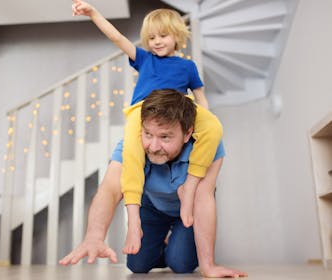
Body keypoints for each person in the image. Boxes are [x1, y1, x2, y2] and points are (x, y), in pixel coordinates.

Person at [72, 0, 223, 255]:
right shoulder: (144, 59)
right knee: (131, 157)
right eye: (151, 37)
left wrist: (203, 121)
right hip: (141, 112)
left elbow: (200, 97)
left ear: (177, 36)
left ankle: (189, 191)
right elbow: (117, 37)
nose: (156, 41)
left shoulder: (187, 66)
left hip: (179, 109)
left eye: (163, 35)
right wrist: (94, 14)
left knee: (215, 128)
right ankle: (134, 219)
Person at [60, 90, 247, 278]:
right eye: (148, 134)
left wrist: (209, 266)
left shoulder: (209, 146)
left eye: (165, 137)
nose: (153, 146)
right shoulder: (131, 146)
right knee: (137, 265)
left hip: (189, 210)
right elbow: (109, 190)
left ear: (187, 133)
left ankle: (175, 246)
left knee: (181, 264)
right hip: (152, 207)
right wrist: (94, 235)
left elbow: (204, 198)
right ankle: (163, 243)